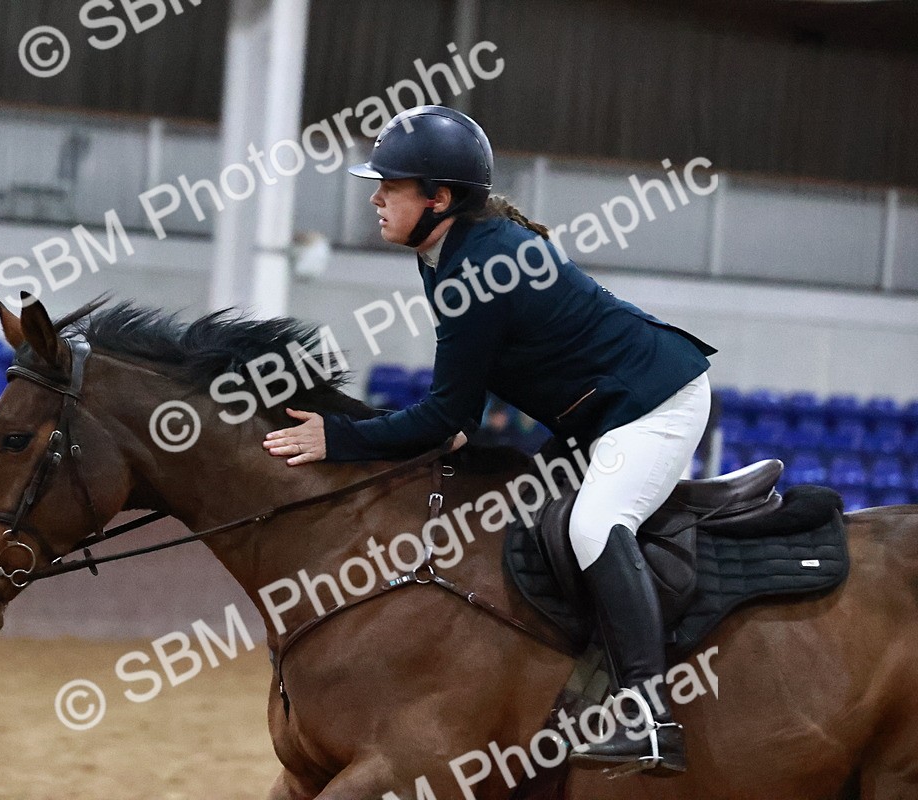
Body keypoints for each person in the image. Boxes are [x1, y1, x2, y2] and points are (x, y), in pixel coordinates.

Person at [261, 106, 716, 774]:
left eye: (391, 186)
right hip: (598, 416)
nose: (376, 198)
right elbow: (458, 417)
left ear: (439, 199)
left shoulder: (476, 265)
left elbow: (446, 417)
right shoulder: (444, 254)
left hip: (655, 404)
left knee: (594, 526)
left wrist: (340, 437)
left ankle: (651, 718)